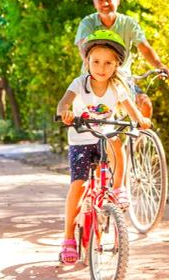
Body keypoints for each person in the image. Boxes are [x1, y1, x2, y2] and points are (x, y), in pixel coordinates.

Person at [56, 29, 151, 265]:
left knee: (117, 142)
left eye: (108, 63)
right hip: (81, 138)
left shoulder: (117, 87)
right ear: (87, 62)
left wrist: (141, 119)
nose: (101, 67)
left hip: (105, 136)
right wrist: (65, 113)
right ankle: (68, 236)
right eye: (96, 61)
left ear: (116, 65)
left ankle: (118, 188)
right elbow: (63, 103)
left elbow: (131, 109)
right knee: (78, 186)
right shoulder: (79, 83)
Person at [75, 0, 169, 118]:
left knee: (145, 104)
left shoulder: (128, 23)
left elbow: (145, 48)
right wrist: (93, 70)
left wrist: (160, 66)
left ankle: (141, 138)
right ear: (94, 4)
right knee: (101, 120)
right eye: (100, 0)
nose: (105, 3)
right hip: (95, 79)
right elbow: (84, 50)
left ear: (117, 1)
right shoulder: (87, 23)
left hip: (121, 78)